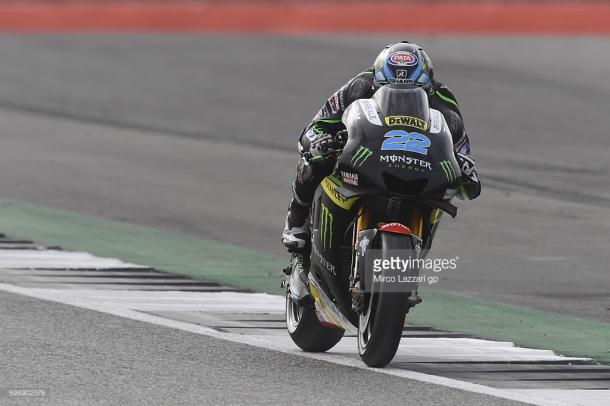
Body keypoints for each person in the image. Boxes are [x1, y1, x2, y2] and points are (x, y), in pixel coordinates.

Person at [282, 42, 481, 299]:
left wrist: (465, 167)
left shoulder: (444, 101)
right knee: (314, 161)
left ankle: (408, 267)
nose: (401, 98)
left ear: (428, 86)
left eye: (412, 92)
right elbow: (316, 125)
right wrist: (320, 140)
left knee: (445, 192)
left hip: (418, 167)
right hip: (368, 153)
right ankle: (297, 227)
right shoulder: (360, 85)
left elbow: (462, 149)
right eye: (391, 90)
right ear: (377, 81)